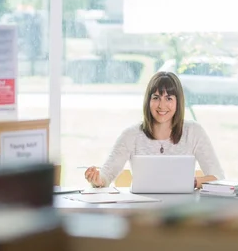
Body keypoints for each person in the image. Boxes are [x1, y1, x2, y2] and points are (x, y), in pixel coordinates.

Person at [85, 71, 225, 188]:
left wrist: (192, 182)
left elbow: (218, 178)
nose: (162, 105)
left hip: (181, 210)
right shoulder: (131, 135)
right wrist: (97, 180)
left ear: (178, 102)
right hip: (143, 210)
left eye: (169, 98)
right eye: (156, 98)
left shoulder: (194, 131)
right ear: (148, 101)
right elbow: (107, 174)